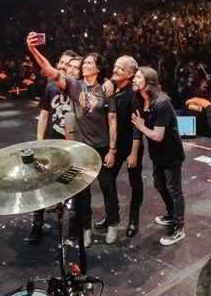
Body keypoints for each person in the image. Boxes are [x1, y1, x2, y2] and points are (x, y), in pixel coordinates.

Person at [27, 33, 117, 248]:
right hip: (72, 146)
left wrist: (113, 149)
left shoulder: (100, 88)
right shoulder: (69, 86)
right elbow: (49, 73)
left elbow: (113, 119)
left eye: (87, 63)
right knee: (74, 192)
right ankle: (78, 230)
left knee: (99, 190)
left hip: (95, 147)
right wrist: (32, 50)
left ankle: (104, 226)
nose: (82, 66)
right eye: (82, 63)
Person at [131, 66, 186, 246]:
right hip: (157, 154)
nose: (134, 79)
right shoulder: (140, 100)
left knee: (174, 189)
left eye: (138, 77)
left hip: (171, 154)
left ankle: (179, 228)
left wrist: (141, 126)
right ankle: (171, 215)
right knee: (159, 185)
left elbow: (157, 135)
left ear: (149, 82)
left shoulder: (161, 103)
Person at [28, 48, 77, 244]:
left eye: (69, 65)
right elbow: (44, 114)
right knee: (41, 184)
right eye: (63, 63)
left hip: (71, 145)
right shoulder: (50, 85)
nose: (64, 67)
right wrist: (39, 141)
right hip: (50, 142)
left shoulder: (77, 87)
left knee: (71, 187)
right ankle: (36, 226)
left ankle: (73, 232)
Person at [97, 55, 144, 240]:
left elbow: (137, 127)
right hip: (114, 145)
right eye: (115, 66)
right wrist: (108, 80)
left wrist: (133, 153)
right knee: (106, 179)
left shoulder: (135, 94)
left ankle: (134, 219)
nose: (115, 70)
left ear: (131, 73)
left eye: (120, 68)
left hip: (131, 145)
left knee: (135, 182)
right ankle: (111, 216)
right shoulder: (112, 88)